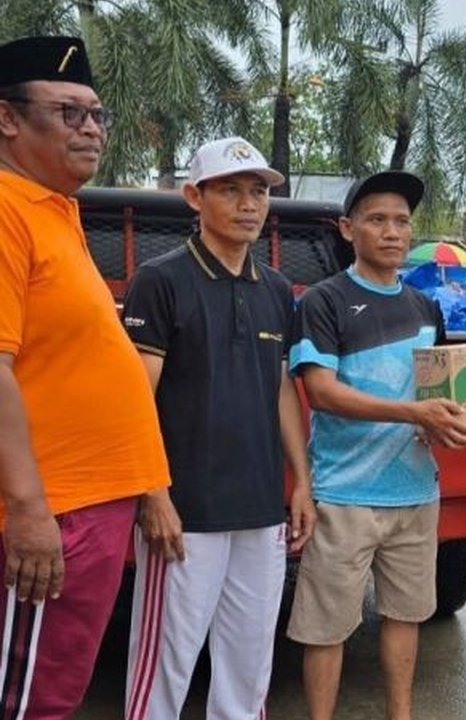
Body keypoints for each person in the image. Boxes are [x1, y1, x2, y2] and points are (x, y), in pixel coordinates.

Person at [0, 35, 170, 717]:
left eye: (99, 114)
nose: (92, 129)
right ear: (7, 118)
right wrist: (29, 508)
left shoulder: (56, 214)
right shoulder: (8, 211)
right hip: (54, 512)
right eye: (70, 112)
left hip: (89, 506)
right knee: (27, 700)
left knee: (55, 692)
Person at [121, 137, 315, 719]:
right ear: (193, 196)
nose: (248, 203)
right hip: (185, 511)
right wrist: (153, 493)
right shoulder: (161, 280)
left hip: (259, 511)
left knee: (250, 662)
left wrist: (299, 483)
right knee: (164, 663)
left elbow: (282, 389)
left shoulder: (278, 291)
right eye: (230, 189)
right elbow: (135, 398)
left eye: (258, 191)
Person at [287, 171, 466, 720]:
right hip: (345, 495)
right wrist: (411, 412)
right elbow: (320, 393)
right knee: (326, 627)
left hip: (416, 493)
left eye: (401, 221)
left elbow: (441, 390)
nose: (391, 232)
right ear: (349, 229)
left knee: (406, 616)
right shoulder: (325, 301)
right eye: (376, 220)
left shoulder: (424, 307)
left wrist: (443, 421)